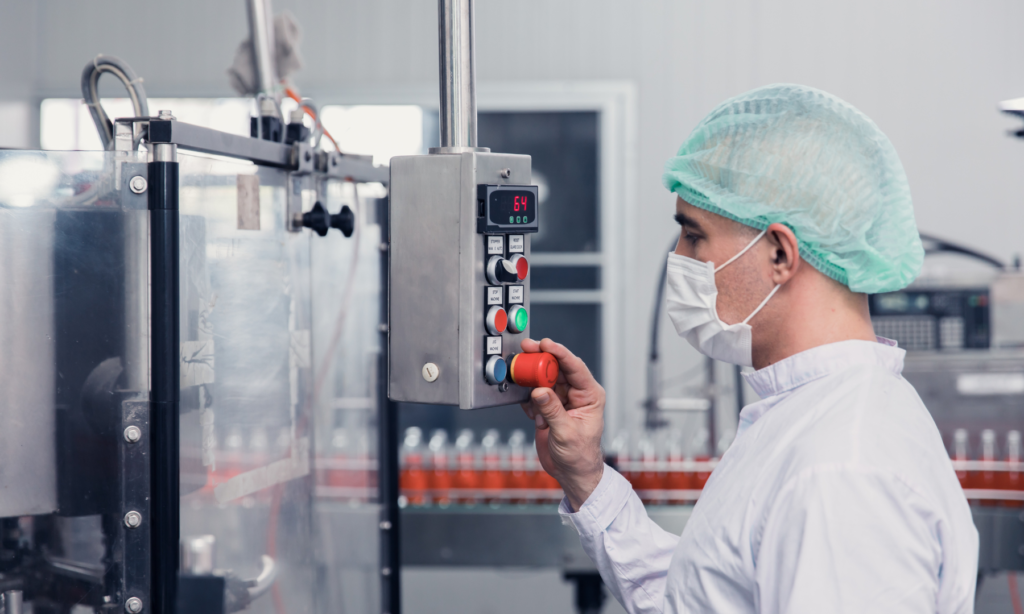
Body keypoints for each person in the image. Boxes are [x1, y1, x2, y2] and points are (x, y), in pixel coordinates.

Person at [520, 84, 978, 613]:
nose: (679, 257)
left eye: (694, 236)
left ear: (781, 253)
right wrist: (587, 477)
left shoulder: (839, 472)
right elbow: (701, 599)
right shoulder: (807, 417)